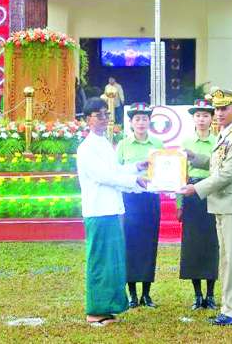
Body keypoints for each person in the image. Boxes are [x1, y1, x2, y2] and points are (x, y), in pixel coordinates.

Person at [182, 88, 232, 326]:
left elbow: (226, 174)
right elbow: (216, 164)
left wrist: (195, 189)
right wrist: (194, 157)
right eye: (218, 109)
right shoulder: (225, 134)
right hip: (223, 205)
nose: (219, 113)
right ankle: (228, 307)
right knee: (226, 260)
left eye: (224, 108)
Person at [76, 97, 149, 327]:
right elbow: (103, 176)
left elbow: (115, 170)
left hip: (111, 209)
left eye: (106, 114)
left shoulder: (105, 143)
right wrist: (134, 180)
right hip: (98, 211)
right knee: (100, 261)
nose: (104, 118)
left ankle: (107, 308)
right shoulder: (86, 148)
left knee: (112, 261)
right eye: (98, 115)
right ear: (87, 119)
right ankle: (95, 311)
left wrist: (136, 167)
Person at [116, 103, 163, 308]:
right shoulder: (123, 145)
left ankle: (146, 293)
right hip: (130, 199)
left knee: (149, 245)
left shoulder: (157, 144)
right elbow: (116, 172)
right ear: (131, 122)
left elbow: (165, 170)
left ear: (149, 121)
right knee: (131, 245)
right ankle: (132, 294)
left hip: (150, 199)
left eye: (144, 119)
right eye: (137, 119)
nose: (141, 123)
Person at [178, 99, 219, 311]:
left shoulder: (218, 142)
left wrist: (197, 158)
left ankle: (210, 295)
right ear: (193, 118)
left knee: (211, 243)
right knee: (192, 244)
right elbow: (180, 175)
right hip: (190, 194)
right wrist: (179, 203)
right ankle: (197, 295)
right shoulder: (186, 142)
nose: (201, 119)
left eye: (205, 115)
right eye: (198, 115)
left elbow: (220, 169)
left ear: (212, 119)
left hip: (211, 193)